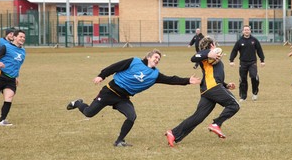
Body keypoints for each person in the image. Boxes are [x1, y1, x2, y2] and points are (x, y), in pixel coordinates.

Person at [66, 49, 201, 147]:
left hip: (123, 98)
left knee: (132, 116)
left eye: (159, 59)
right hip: (110, 91)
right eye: (155, 57)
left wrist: (188, 80)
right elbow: (114, 67)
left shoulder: (155, 75)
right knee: (89, 113)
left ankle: (119, 141)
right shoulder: (134, 61)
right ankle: (78, 103)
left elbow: (171, 79)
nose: (157, 60)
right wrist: (101, 75)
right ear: (148, 57)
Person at [165, 36, 240, 147]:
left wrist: (226, 85)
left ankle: (173, 133)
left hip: (208, 89)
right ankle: (216, 124)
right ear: (211, 45)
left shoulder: (212, 56)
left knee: (198, 117)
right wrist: (208, 53)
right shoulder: (207, 52)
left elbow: (212, 75)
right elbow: (193, 58)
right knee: (234, 105)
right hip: (212, 88)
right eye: (214, 43)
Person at [0, 29, 26, 126]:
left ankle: (2, 120)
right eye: (20, 36)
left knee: (9, 97)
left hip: (11, 78)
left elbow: (17, 65)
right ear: (15, 37)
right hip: (0, 75)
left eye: (24, 37)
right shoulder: (6, 47)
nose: (22, 39)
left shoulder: (23, 51)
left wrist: (16, 76)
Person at [229, 25, 265, 102]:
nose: (246, 31)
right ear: (243, 31)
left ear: (250, 31)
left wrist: (262, 60)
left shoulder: (254, 40)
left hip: (252, 62)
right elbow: (234, 51)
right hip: (243, 63)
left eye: (248, 30)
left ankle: (255, 93)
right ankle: (243, 96)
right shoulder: (239, 41)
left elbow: (259, 50)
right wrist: (231, 60)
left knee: (254, 77)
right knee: (243, 80)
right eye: (245, 30)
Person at [0, 27, 16, 110]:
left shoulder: (13, 44)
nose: (12, 36)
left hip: (4, 70)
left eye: (14, 34)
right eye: (10, 34)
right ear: (7, 34)